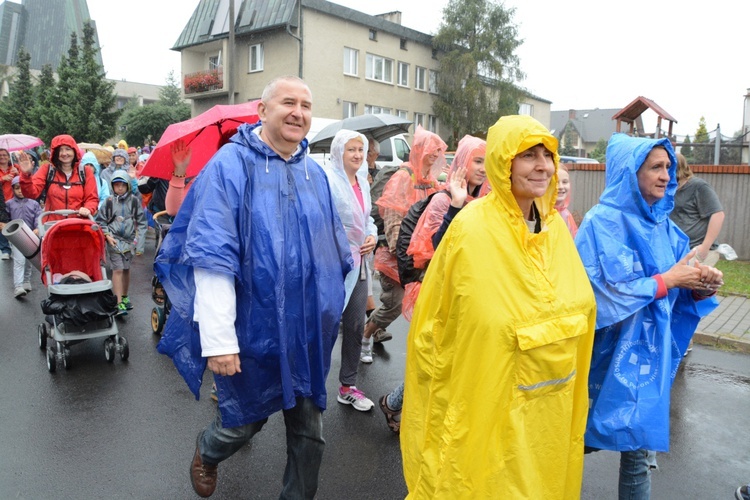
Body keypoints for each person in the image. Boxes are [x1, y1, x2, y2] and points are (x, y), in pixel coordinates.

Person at [154, 75, 352, 498]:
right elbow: (212, 256)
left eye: (306, 104)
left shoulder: (313, 174)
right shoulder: (230, 167)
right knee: (243, 422)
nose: (298, 112)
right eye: (287, 102)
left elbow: (328, 249)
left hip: (302, 332)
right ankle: (207, 451)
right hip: (250, 327)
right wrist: (219, 340)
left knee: (310, 433)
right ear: (263, 110)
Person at [400, 115, 597, 498]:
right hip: (487, 407)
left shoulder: (555, 229)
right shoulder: (471, 228)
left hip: (549, 416)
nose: (543, 165)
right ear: (504, 161)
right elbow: (435, 324)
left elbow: (579, 307)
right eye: (528, 155)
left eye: (547, 155)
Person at [575, 134, 724, 500]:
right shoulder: (599, 223)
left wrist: (703, 284)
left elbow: (681, 283)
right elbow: (593, 295)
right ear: (630, 172)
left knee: (638, 451)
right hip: (601, 356)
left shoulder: (665, 227)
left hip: (645, 356)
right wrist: (666, 280)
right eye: (656, 167)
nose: (666, 176)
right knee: (577, 440)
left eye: (668, 167)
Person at [379, 134, 488, 433]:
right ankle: (399, 405)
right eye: (478, 161)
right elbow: (436, 248)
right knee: (434, 361)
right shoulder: (444, 199)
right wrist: (455, 206)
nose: (483, 168)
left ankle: (397, 404)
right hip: (435, 290)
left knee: (444, 361)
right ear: (463, 162)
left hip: (466, 292)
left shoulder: (484, 200)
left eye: (487, 163)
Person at [360, 126, 445, 362]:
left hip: (421, 255)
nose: (436, 154)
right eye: (432, 149)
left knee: (423, 304)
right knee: (394, 304)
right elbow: (392, 218)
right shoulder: (403, 177)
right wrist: (404, 252)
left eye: (439, 150)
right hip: (397, 256)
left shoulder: (431, 181)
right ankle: (366, 336)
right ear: (419, 150)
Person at [324, 129, 378, 411]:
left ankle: (347, 386)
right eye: (351, 150)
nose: (357, 155)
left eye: (361, 149)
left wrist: (372, 236)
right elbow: (321, 221)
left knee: (356, 325)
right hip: (331, 264)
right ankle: (309, 390)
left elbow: (367, 219)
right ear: (338, 152)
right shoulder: (327, 181)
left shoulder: (363, 182)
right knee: (324, 327)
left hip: (358, 264)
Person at [96, 171, 147, 316]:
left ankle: (125, 297)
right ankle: (118, 302)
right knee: (117, 269)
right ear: (112, 185)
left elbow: (142, 222)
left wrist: (140, 245)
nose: (119, 188)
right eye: (116, 185)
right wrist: (107, 235)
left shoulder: (134, 201)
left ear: (128, 186)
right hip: (114, 240)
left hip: (129, 242)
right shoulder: (109, 201)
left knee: (126, 269)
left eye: (122, 185)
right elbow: (100, 221)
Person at [17, 135, 98, 222]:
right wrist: (26, 174)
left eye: (68, 149)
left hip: (78, 224)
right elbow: (31, 194)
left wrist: (88, 208)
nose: (64, 153)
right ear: (55, 153)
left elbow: (92, 198)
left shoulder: (85, 172)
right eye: (60, 150)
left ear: (74, 151)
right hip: (53, 225)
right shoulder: (47, 170)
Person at [670, 153, 725, 266]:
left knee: (690, 283)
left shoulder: (698, 186)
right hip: (677, 251)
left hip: (697, 250)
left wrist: (704, 248)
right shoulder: (668, 189)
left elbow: (718, 214)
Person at [4, 176, 42, 297]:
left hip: (31, 235)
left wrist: (37, 228)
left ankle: (26, 281)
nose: (20, 190)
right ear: (13, 189)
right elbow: (6, 219)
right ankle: (18, 286)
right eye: (17, 188)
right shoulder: (8, 204)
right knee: (19, 260)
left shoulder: (34, 203)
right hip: (16, 237)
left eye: (22, 188)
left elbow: (38, 217)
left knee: (29, 260)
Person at [0, 148, 20, 259]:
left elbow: (24, 180)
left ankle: (18, 246)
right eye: (0, 155)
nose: (2, 157)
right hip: (2, 201)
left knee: (15, 222)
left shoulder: (15, 167)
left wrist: (18, 174)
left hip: (15, 200)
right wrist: (2, 179)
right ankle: (5, 250)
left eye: (4, 155)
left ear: (8, 157)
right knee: (2, 224)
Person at [555, 163, 578, 237]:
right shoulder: (539, 215)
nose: (561, 186)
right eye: (555, 182)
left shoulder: (566, 215)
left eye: (565, 182)